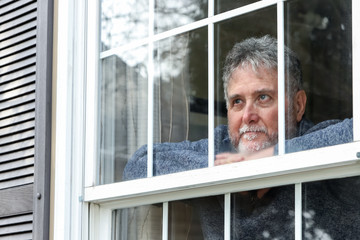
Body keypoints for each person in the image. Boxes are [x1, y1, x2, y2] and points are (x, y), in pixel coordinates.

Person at [123, 36, 356, 239]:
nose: (248, 116)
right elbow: (138, 166)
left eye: (263, 98)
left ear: (298, 105)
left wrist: (269, 158)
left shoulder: (322, 142)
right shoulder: (221, 145)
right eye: (237, 102)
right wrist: (227, 167)